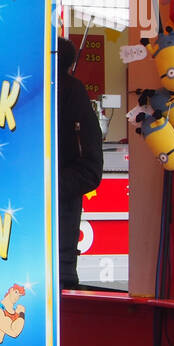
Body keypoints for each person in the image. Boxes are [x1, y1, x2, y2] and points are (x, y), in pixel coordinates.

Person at [58, 38, 104, 290]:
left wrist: (43, 188)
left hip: (56, 247)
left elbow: (89, 170)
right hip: (57, 254)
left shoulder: (71, 93)